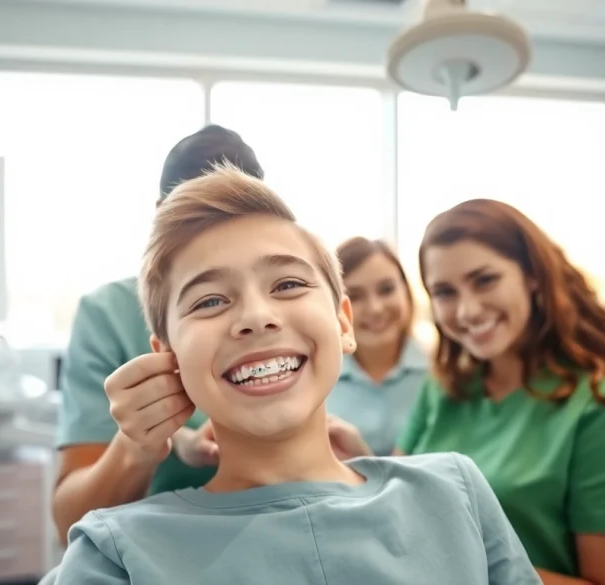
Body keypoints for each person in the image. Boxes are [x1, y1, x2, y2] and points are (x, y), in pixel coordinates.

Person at [53, 166, 542, 585]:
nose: (256, 316)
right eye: (209, 301)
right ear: (169, 357)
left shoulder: (456, 493)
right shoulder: (115, 555)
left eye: (287, 284)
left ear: (342, 323)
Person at [395, 198, 605, 585]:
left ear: (532, 275)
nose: (467, 310)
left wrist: (465, 565)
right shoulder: (444, 389)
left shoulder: (604, 411)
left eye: (485, 280)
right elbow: (402, 501)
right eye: (445, 292)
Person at [51, 125, 265, 544]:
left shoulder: (279, 313)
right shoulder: (108, 315)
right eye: (202, 219)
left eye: (244, 219)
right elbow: (70, 521)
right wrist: (141, 446)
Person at [327, 237, 426, 455]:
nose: (375, 308)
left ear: (406, 291)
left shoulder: (443, 375)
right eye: (355, 296)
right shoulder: (319, 380)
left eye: (386, 289)